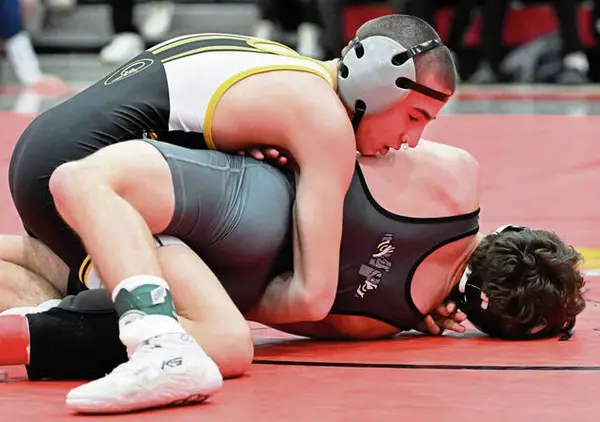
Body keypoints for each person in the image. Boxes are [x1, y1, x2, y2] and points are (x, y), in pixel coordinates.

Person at [7, 14, 456, 413]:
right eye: (415, 117)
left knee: (61, 276)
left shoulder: (286, 68)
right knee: (221, 336)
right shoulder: (325, 123)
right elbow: (312, 298)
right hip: (87, 174)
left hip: (47, 150)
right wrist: (391, 311)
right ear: (379, 82)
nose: (412, 140)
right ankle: (155, 344)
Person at [0, 140, 585, 406]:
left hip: (186, 180)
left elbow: (341, 127)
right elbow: (260, 305)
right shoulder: (378, 322)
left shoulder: (452, 174)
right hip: (183, 246)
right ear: (481, 320)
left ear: (510, 232)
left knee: (44, 262)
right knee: (213, 336)